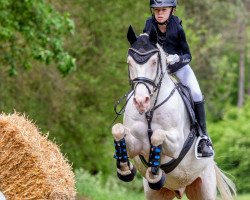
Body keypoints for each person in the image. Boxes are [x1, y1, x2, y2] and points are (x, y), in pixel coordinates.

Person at [143, 0, 214, 158]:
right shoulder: (148, 25)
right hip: (158, 69)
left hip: (179, 67)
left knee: (196, 93)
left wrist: (177, 59)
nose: (160, 13)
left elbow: (188, 55)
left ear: (172, 10)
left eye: (164, 9)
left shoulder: (177, 28)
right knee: (142, 88)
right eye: (156, 10)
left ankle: (203, 137)